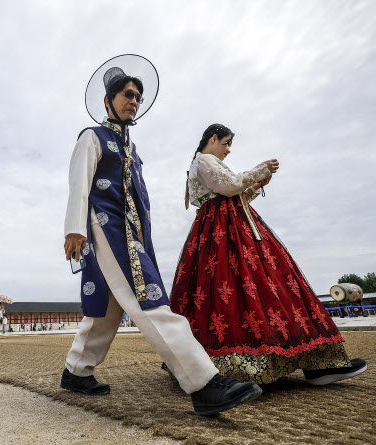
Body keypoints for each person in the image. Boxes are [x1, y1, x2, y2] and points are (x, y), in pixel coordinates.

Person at [60, 55, 262, 416]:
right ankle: (203, 382)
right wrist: (74, 228)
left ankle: (76, 370)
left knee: (107, 309)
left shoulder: (132, 150)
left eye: (137, 95)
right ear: (108, 101)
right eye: (125, 94)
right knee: (149, 299)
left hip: (132, 233)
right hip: (106, 225)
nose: (132, 100)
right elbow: (79, 182)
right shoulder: (93, 137)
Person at [170, 123, 368, 385]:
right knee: (245, 288)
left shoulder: (208, 162)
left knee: (265, 286)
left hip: (233, 225)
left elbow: (234, 196)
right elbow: (230, 187)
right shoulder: (203, 160)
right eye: (227, 143)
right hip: (223, 232)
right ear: (213, 138)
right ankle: (300, 363)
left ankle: (314, 360)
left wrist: (255, 185)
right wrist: (259, 169)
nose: (229, 150)